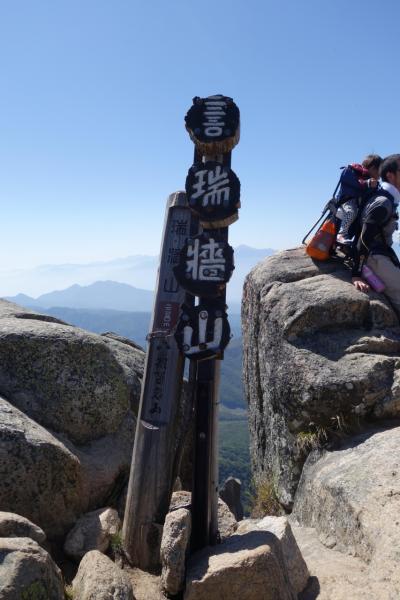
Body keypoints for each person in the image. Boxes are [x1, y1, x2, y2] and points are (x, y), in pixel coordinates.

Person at [352, 154, 400, 314]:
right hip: (373, 257)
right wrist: (356, 275)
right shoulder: (383, 202)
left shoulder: (386, 198)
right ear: (390, 175)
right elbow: (364, 238)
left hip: (380, 255)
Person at [336, 154, 383, 245]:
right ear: (373, 168)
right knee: (351, 212)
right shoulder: (351, 171)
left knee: (359, 221)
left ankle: (346, 244)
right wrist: (367, 184)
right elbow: (351, 182)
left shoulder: (372, 181)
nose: (380, 176)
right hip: (346, 201)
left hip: (357, 205)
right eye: (379, 172)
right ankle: (341, 235)